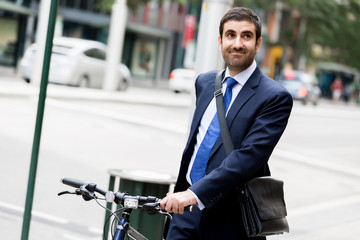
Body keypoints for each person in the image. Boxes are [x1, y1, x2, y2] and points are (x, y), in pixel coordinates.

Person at [160, 7, 293, 240]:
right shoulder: (205, 82)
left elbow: (247, 158)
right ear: (221, 41)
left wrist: (194, 194)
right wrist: (185, 194)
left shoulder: (274, 97)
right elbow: (197, 143)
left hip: (231, 219)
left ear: (258, 43)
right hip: (186, 212)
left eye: (246, 36)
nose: (238, 43)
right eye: (231, 35)